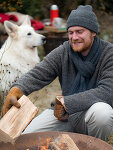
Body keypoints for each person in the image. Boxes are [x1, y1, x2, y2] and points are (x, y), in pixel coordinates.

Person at [2, 5, 113, 141]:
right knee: (25, 138)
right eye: (70, 32)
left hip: (88, 114)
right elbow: (39, 72)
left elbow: (107, 92)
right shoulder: (64, 51)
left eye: (79, 31)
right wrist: (17, 89)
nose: (74, 37)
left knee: (103, 113)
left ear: (93, 32)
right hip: (64, 115)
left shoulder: (108, 53)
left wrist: (67, 102)